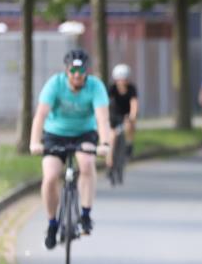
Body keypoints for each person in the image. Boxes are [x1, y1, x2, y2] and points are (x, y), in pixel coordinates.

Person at [29, 49, 112, 249]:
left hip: (84, 133)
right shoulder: (54, 84)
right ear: (66, 71)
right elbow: (40, 115)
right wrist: (34, 142)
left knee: (86, 162)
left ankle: (85, 214)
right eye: (73, 71)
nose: (77, 75)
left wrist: (105, 144)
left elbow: (102, 118)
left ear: (86, 71)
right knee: (50, 177)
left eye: (81, 71)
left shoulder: (95, 86)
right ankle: (51, 223)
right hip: (55, 133)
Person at [107, 64, 138, 170]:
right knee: (112, 136)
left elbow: (134, 103)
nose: (121, 82)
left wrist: (132, 116)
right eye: (119, 79)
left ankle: (129, 145)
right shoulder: (111, 89)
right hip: (114, 114)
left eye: (124, 79)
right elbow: (105, 103)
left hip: (126, 114)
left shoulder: (131, 89)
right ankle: (109, 160)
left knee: (130, 125)